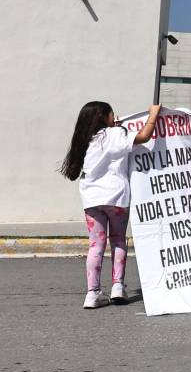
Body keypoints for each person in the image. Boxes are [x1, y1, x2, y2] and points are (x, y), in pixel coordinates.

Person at [60, 101, 162, 308]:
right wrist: (153, 115)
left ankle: (92, 293)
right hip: (116, 198)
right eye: (111, 113)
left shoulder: (84, 140)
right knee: (118, 241)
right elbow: (144, 136)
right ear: (104, 117)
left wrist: (115, 127)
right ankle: (117, 286)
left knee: (95, 246)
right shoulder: (117, 135)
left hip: (92, 200)